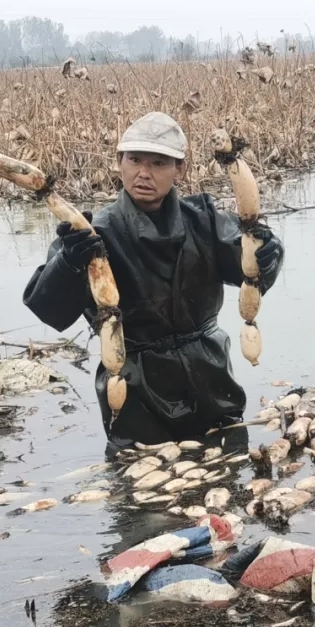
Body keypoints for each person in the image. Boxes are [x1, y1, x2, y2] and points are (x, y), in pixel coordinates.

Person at [23, 112, 284, 456]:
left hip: (210, 375)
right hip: (135, 387)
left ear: (180, 170)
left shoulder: (203, 217)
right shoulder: (93, 234)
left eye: (159, 163)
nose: (143, 173)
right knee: (143, 493)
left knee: (227, 477)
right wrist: (68, 261)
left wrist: (269, 252)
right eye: (134, 160)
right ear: (119, 163)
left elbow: (248, 270)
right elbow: (47, 308)